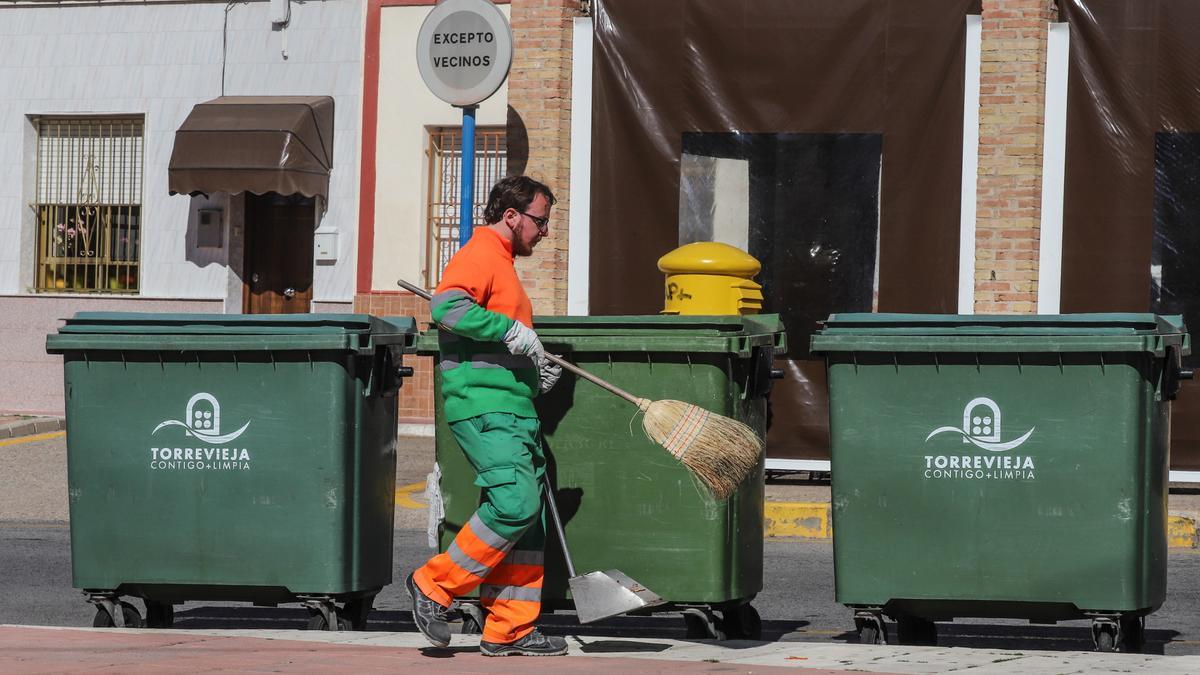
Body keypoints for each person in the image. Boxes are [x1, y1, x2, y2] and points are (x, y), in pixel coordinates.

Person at [406, 175, 567, 657]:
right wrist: (511, 332)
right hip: (484, 406)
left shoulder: (504, 264)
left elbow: (499, 341)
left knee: (527, 523)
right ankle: (433, 586)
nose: (543, 231)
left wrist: (532, 373)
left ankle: (510, 629)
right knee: (515, 505)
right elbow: (447, 307)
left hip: (511, 406)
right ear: (511, 216)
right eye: (539, 221)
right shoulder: (481, 253)